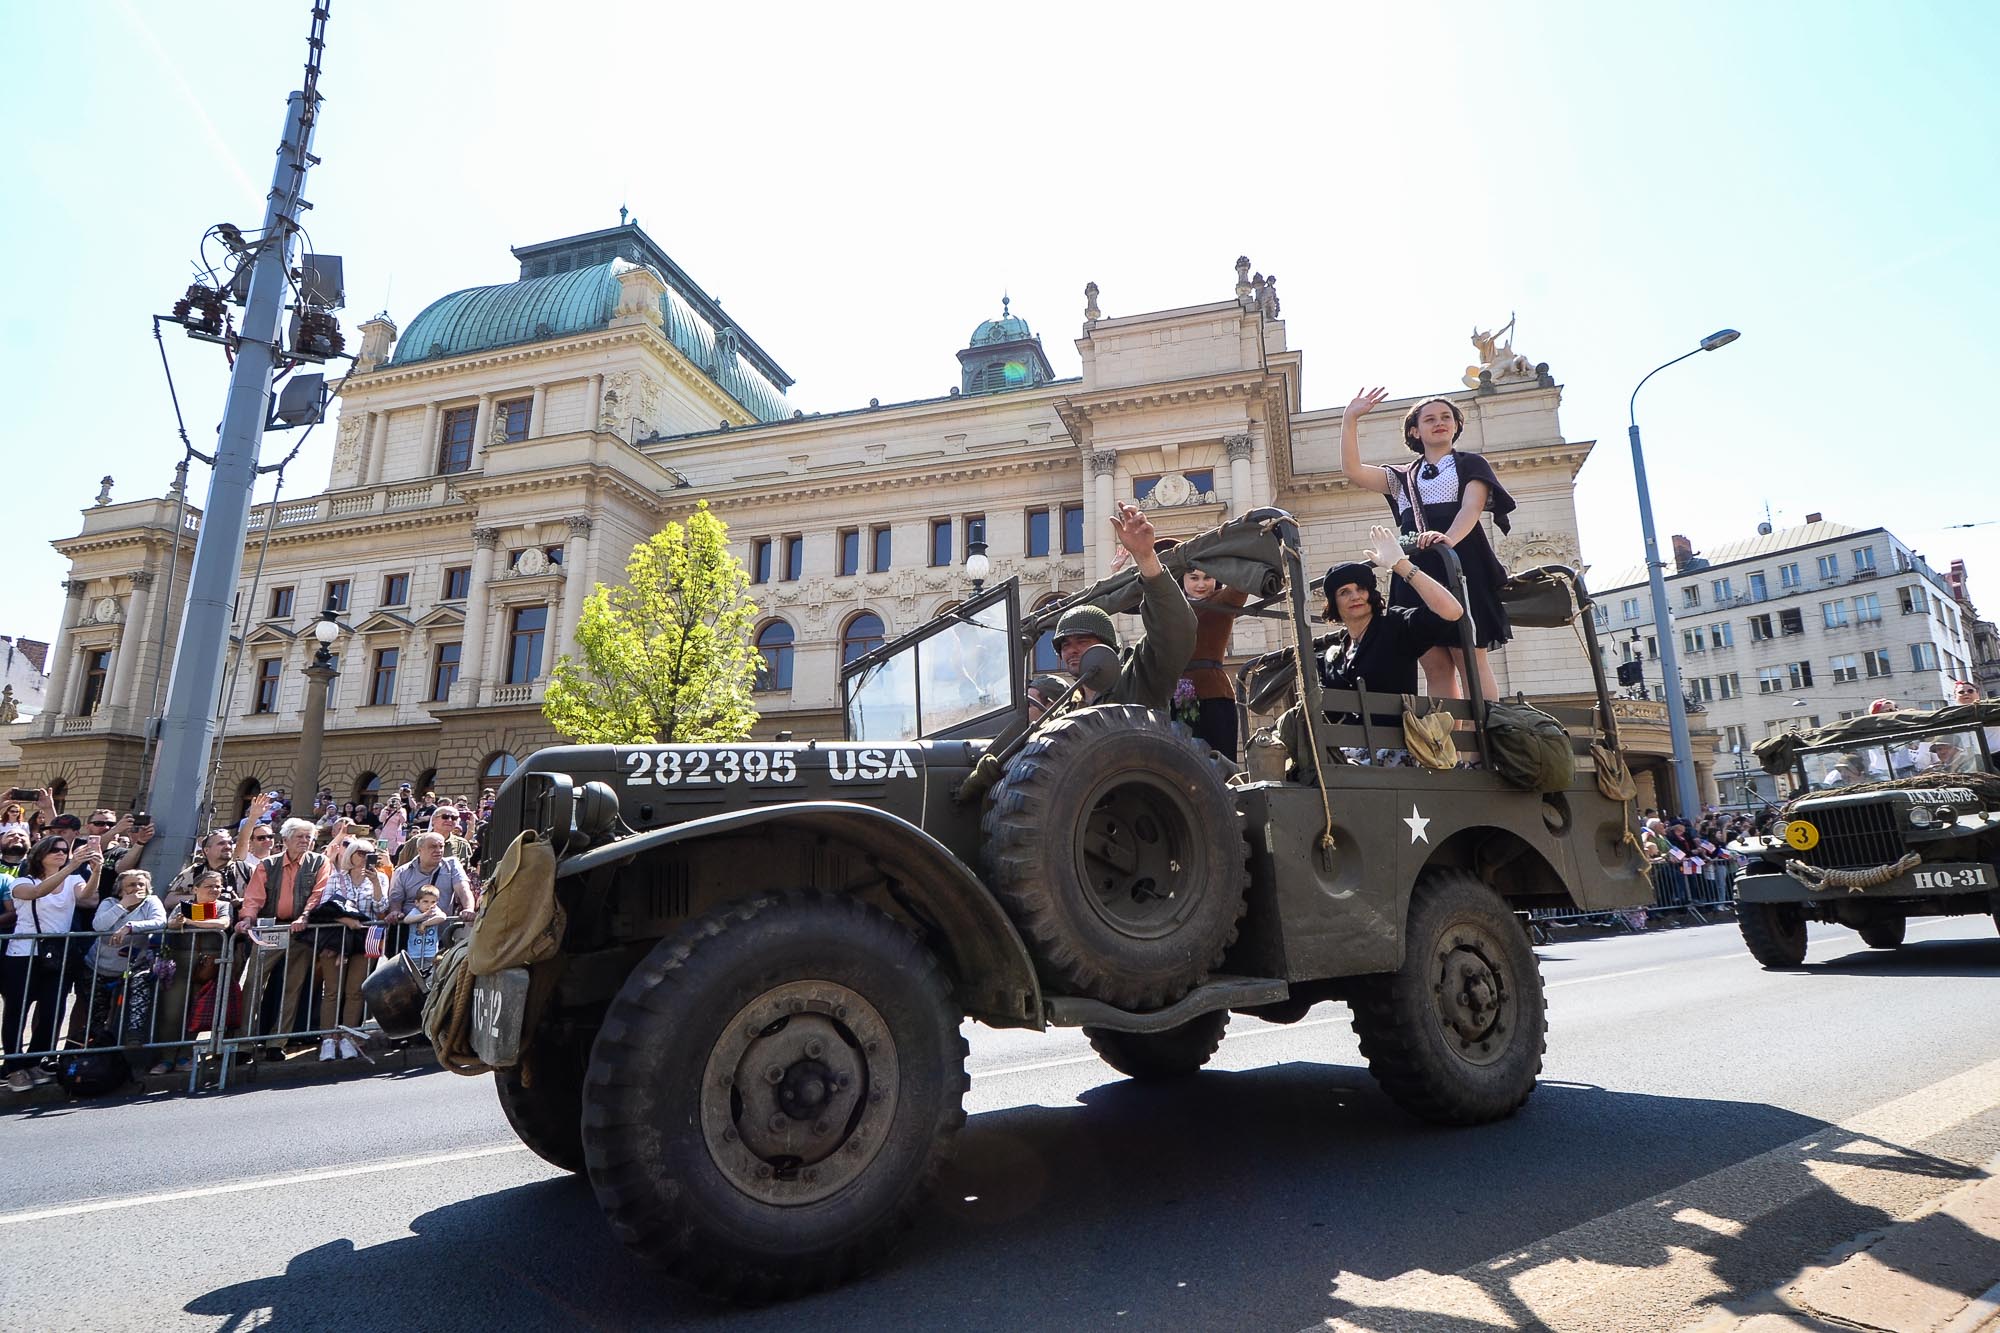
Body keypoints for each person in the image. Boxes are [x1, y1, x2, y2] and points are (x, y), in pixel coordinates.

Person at [1339, 387, 1517, 701]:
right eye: (1430, 419)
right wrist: (1350, 418)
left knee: (1469, 659)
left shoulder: (1469, 464)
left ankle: (1485, 747)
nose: (1440, 423)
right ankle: (1449, 748)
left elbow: (1471, 508)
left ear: (1457, 426)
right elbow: (1353, 471)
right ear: (1414, 431)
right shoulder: (1403, 477)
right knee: (1435, 666)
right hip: (1415, 569)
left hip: (1459, 563)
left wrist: (1448, 540)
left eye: (1447, 417)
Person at [1317, 527, 1466, 751]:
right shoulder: (1332, 656)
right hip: (1346, 757)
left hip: (1397, 753)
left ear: (1371, 594)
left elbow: (1452, 611)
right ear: (1334, 603)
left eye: (1360, 588)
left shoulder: (1395, 627)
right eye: (1344, 592)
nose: (1355, 596)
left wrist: (1401, 566)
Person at [1046, 501, 1197, 712]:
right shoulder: (1066, 709)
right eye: (1065, 645)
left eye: (1083, 641)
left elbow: (1174, 629)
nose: (1072, 650)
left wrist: (1146, 558)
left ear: (1107, 646)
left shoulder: (1139, 679)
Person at [2, 833, 101, 1090]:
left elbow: (89, 899)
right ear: (40, 855)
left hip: (58, 954)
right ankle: (13, 1068)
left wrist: (96, 870)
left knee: (51, 1010)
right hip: (23, 954)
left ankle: (35, 1060)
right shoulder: (22, 881)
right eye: (54, 850)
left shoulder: (73, 879)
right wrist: (70, 865)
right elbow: (36, 892)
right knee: (17, 1011)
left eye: (64, 850)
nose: (60, 853)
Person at [234, 817, 331, 1058]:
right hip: (271, 928)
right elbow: (254, 897)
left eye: (308, 837)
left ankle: (277, 1042)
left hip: (301, 931)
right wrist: (247, 918)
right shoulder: (268, 864)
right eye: (299, 836)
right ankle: (244, 1043)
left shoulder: (320, 862)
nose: (305, 841)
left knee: (292, 986)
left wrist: (305, 917)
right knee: (254, 984)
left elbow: (318, 893)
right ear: (285, 840)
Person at [1171, 548, 1250, 761]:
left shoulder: (1221, 600)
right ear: (1183, 579)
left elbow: (1240, 588)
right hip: (1179, 694)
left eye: (1208, 577)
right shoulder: (1171, 606)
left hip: (1213, 694)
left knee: (1219, 760)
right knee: (1182, 760)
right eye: (1194, 577)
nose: (1201, 584)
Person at [153, 868, 233, 1074]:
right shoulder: (183, 907)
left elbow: (222, 923)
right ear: (195, 888)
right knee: (172, 1012)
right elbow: (170, 924)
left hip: (208, 964)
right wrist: (179, 921)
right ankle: (166, 1057)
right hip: (180, 962)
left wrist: (189, 921)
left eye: (218, 886)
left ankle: (185, 1056)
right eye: (209, 886)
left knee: (197, 1012)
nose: (215, 889)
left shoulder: (223, 906)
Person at [309, 839, 381, 1061]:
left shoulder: (380, 878)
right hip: (337, 939)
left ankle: (349, 1037)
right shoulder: (336, 878)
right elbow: (325, 908)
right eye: (361, 853)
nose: (365, 857)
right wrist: (347, 920)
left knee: (355, 990)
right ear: (351, 854)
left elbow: (381, 908)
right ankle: (328, 1039)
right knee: (332, 990)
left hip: (367, 938)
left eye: (370, 854)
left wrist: (377, 883)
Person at [84, 869, 168, 1047]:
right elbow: (99, 925)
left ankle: (134, 1035)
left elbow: (160, 921)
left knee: (140, 986)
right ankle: (94, 1047)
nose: (137, 888)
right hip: (100, 965)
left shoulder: (151, 902)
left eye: (141, 885)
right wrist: (122, 906)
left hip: (134, 965)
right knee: (97, 1011)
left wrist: (130, 927)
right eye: (131, 885)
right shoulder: (109, 902)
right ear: (120, 890)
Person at [401, 886, 447, 984]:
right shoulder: (415, 912)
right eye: (425, 902)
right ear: (417, 902)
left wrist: (424, 923)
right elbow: (406, 920)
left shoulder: (435, 911)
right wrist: (424, 916)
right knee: (415, 981)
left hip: (431, 953)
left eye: (433, 902)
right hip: (414, 953)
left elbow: (443, 917)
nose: (429, 905)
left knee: (430, 981)